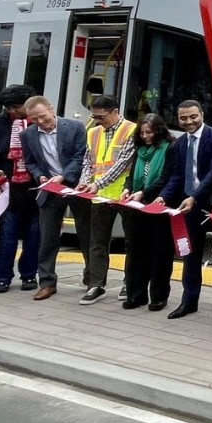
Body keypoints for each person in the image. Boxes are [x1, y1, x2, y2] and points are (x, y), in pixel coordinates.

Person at [160, 100, 212, 319]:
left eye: (193, 116)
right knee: (191, 253)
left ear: (202, 114)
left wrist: (194, 197)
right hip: (188, 205)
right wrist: (163, 197)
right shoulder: (179, 144)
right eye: (184, 118)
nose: (189, 121)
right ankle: (189, 300)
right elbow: (177, 175)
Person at [19, 95, 88, 301]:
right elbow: (30, 162)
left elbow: (81, 156)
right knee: (47, 237)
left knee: (87, 235)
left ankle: (92, 279)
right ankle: (47, 282)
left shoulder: (75, 127)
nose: (40, 122)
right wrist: (39, 175)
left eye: (42, 116)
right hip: (49, 188)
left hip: (76, 187)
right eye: (34, 119)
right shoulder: (27, 135)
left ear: (51, 109)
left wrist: (64, 176)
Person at [72, 95, 137, 305]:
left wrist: (97, 184)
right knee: (97, 242)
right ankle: (96, 284)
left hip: (125, 194)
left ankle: (130, 282)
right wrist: (84, 182)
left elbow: (122, 164)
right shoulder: (93, 132)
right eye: (94, 116)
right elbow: (88, 162)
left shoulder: (132, 130)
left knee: (132, 241)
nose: (98, 120)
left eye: (101, 116)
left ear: (115, 111)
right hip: (99, 196)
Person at [0, 84, 39, 293]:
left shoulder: (41, 121)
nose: (13, 112)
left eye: (17, 107)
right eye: (9, 108)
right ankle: (1, 276)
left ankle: (29, 275)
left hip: (35, 187)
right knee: (7, 234)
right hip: (8, 187)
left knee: (34, 235)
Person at [123, 113, 176, 311]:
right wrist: (128, 188)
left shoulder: (169, 148)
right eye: (142, 132)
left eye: (150, 132)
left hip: (160, 206)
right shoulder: (140, 149)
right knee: (137, 253)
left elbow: (166, 177)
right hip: (138, 207)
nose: (146, 136)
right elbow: (131, 174)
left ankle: (158, 297)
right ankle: (136, 295)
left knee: (160, 253)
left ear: (159, 131)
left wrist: (144, 192)